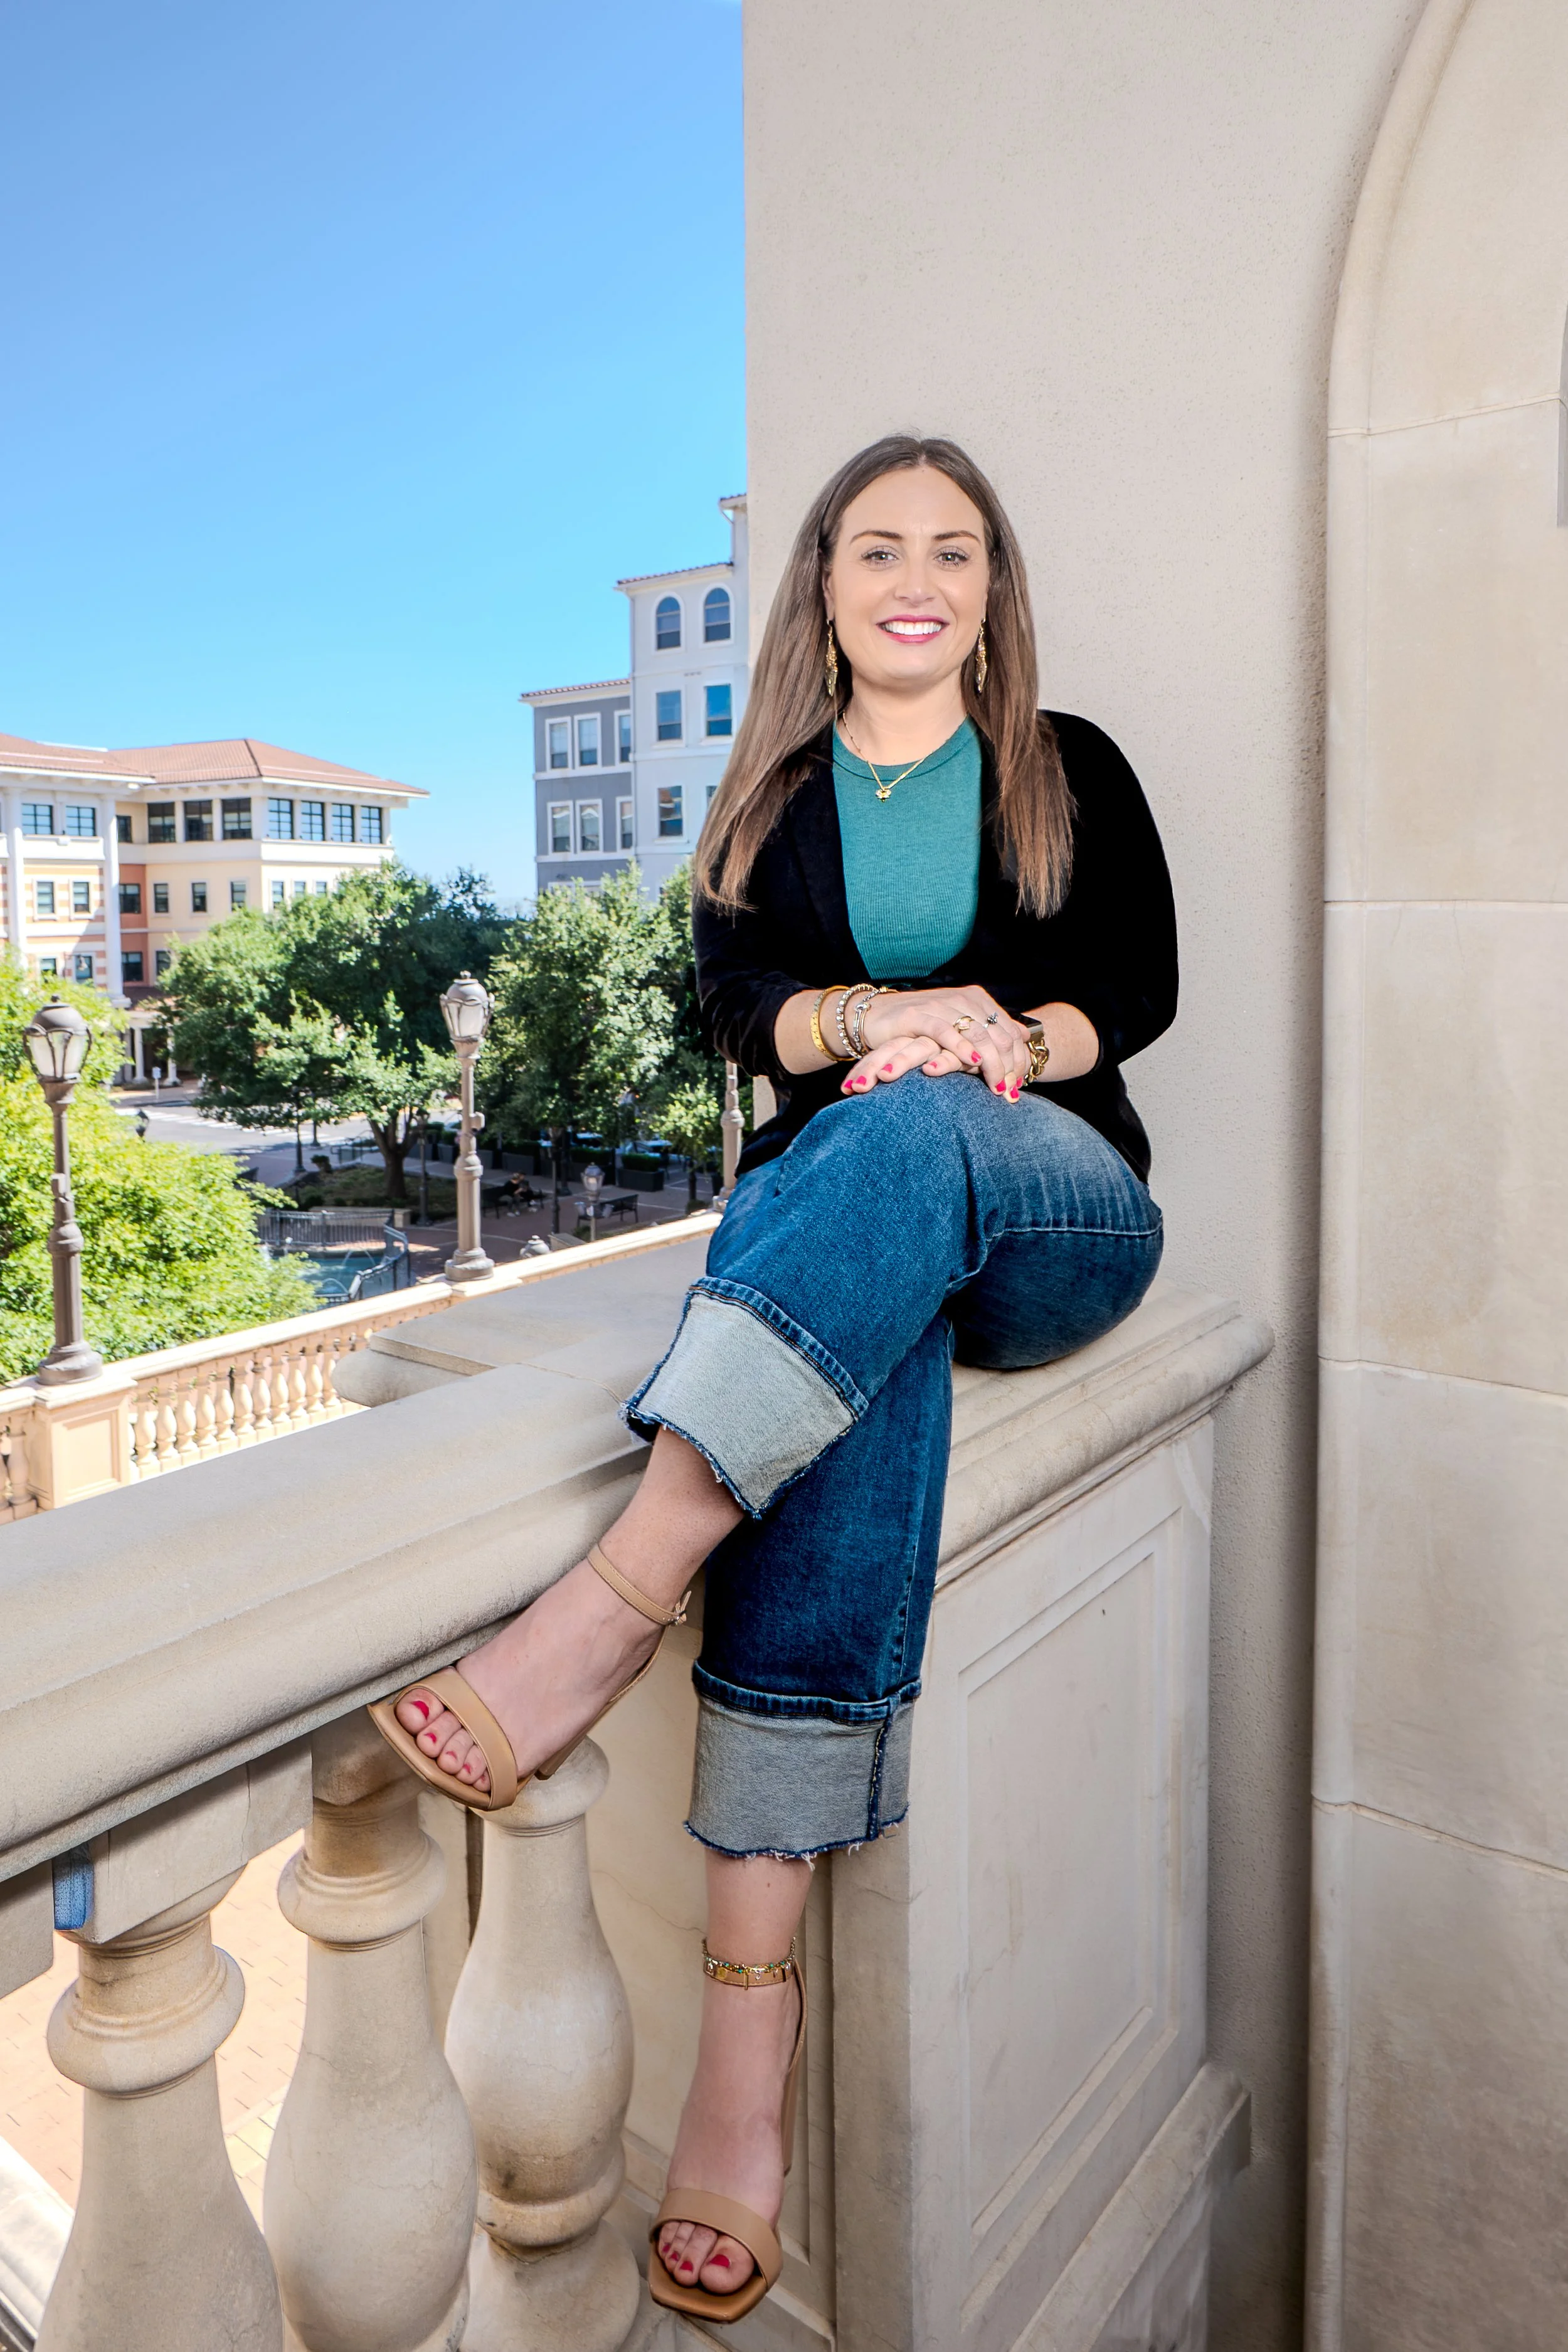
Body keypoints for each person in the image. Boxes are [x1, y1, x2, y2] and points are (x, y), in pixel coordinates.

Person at [370, 433, 1176, 2325]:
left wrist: (988, 1039)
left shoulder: (1073, 771)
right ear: (821, 585)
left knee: (897, 1138)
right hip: (858, 1246)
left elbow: (1130, 984)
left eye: (953, 550)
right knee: (855, 1287)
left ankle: (612, 1595)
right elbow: (738, 1010)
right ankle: (748, 2058)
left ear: (992, 590)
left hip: (1052, 1205)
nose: (916, 576)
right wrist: (859, 1020)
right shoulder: (770, 799)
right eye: (876, 546)